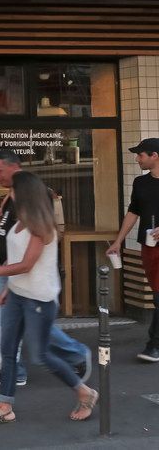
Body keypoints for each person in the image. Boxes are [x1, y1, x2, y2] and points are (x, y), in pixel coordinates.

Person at [0, 171, 98, 425]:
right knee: (7, 351)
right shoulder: (18, 222)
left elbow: (27, 264)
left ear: (25, 193)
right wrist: (7, 289)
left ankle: (85, 392)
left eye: (12, 190)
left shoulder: (41, 227)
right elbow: (14, 259)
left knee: (42, 355)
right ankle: (5, 407)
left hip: (39, 298)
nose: (8, 194)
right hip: (17, 294)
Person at [107, 137, 159, 362]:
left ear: (154, 156)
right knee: (157, 297)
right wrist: (119, 240)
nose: (137, 159)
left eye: (141, 155)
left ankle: (153, 345)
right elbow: (133, 212)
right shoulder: (140, 183)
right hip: (148, 247)